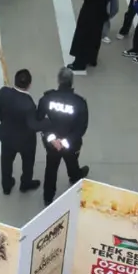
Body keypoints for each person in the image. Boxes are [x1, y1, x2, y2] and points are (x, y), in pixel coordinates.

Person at [35, 67, 90, 205]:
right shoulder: (79, 102)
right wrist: (65, 141)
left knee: (51, 168)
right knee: (72, 161)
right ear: (72, 82)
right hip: (71, 144)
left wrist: (53, 139)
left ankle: (48, 197)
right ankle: (75, 176)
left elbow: (40, 120)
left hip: (52, 143)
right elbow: (81, 128)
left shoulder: (47, 98)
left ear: (58, 80)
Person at [68, 0, 117, 71]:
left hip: (89, 16)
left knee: (83, 38)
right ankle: (92, 59)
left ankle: (79, 64)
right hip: (100, 16)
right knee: (95, 38)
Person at [0, 69, 40, 194]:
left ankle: (6, 186)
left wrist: (5, 122)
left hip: (7, 134)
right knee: (28, 162)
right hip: (26, 139)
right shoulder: (29, 105)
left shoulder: (4, 92)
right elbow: (33, 124)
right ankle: (25, 183)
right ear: (29, 85)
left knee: (6, 161)